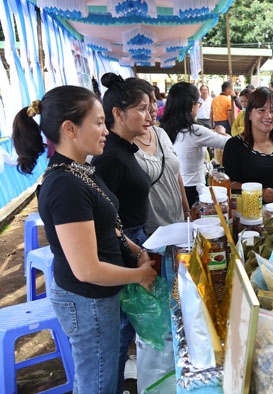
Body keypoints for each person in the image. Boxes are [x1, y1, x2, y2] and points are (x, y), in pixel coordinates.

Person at [12, 85, 156, 393]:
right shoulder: (65, 185)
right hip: (87, 299)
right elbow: (87, 269)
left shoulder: (81, 169)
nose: (105, 130)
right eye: (98, 122)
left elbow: (108, 226)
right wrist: (139, 274)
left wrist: (135, 249)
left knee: (105, 376)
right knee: (97, 382)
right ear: (69, 128)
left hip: (99, 295)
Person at [91, 73, 155, 393]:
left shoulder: (125, 150)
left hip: (134, 241)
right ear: (117, 113)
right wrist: (132, 248)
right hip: (123, 248)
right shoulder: (109, 158)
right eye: (142, 108)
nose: (150, 114)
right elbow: (104, 219)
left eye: (151, 106)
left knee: (126, 330)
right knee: (117, 335)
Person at [134, 79, 191, 235]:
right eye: (143, 106)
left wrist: (186, 210)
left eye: (154, 102)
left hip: (178, 223)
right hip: (150, 233)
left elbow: (175, 173)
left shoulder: (160, 133)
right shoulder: (124, 146)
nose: (153, 109)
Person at [160, 82, 230, 208]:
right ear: (191, 106)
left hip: (172, 189)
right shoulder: (194, 131)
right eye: (198, 103)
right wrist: (222, 132)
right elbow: (229, 144)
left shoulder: (164, 129)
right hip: (193, 191)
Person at [223, 87, 273, 203]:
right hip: (248, 216)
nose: (268, 116)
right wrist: (259, 194)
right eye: (262, 110)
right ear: (249, 115)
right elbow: (230, 184)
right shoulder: (234, 145)